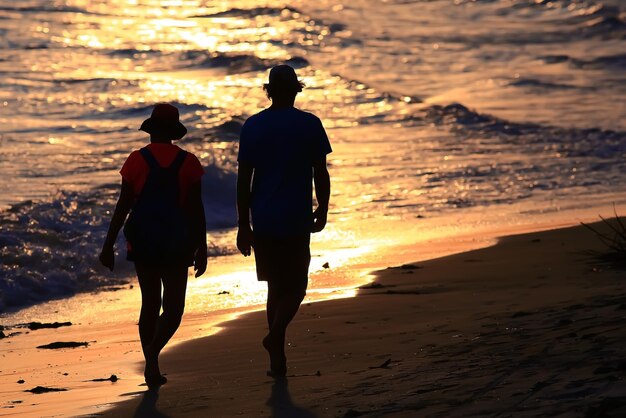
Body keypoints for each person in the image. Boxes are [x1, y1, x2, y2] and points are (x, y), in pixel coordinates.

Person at [99, 103, 207, 387]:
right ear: (174, 132)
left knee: (149, 305)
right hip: (177, 243)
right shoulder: (189, 162)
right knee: (173, 310)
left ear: (151, 131)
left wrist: (108, 244)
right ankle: (152, 360)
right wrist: (202, 248)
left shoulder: (136, 160)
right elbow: (196, 210)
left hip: (143, 241)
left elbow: (123, 206)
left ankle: (152, 361)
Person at [236, 65, 332, 377]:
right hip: (294, 217)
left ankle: (277, 361)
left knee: (275, 289)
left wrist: (243, 225)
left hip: (263, 219)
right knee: (298, 286)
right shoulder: (309, 124)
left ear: (269, 90)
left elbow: (243, 181)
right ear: (296, 90)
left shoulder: (253, 126)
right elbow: (320, 171)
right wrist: (323, 207)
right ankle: (275, 338)